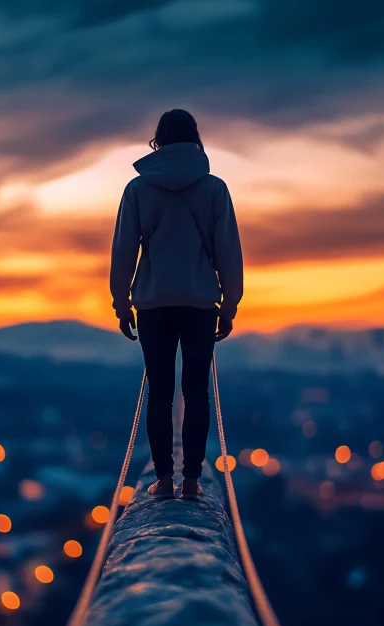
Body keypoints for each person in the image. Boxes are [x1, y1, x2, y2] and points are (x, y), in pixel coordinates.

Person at [110, 109, 243, 498]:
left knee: (161, 392)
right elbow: (228, 252)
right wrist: (229, 304)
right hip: (201, 302)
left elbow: (123, 253)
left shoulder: (137, 190)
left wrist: (122, 303)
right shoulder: (214, 188)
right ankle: (191, 483)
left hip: (153, 304)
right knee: (197, 392)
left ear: (158, 141)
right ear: (196, 139)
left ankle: (164, 481)